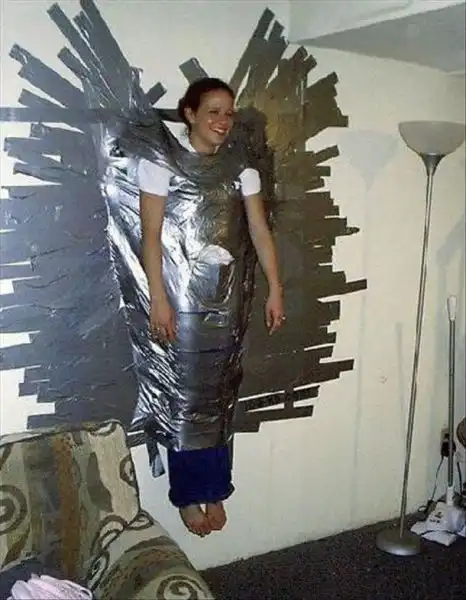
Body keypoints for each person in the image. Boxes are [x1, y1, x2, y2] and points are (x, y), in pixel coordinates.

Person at [137, 77, 285, 537]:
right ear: (190, 114)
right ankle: (186, 494)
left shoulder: (242, 169)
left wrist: (275, 288)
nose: (223, 121)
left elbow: (259, 231)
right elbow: (150, 236)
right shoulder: (160, 162)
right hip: (179, 297)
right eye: (213, 112)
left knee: (221, 392)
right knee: (186, 394)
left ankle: (216, 487)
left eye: (229, 113)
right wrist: (158, 298)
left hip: (227, 296)